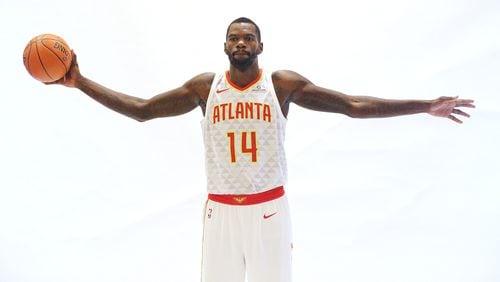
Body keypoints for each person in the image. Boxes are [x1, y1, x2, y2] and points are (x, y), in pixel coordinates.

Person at [49, 17, 474, 282]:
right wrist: (79, 82)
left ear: (260, 47)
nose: (240, 43)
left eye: (248, 37)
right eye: (233, 37)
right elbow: (142, 111)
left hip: (269, 210)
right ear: (224, 46)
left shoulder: (280, 84)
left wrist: (424, 105)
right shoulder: (204, 87)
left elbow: (352, 106)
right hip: (220, 213)